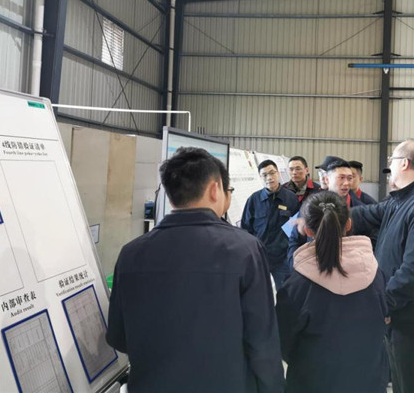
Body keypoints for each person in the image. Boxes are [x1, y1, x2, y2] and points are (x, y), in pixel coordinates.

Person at [106, 147, 284, 392]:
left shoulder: (130, 254)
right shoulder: (245, 250)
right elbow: (262, 341)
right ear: (214, 189)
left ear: (170, 196)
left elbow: (118, 337)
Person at [351, 140, 414, 393]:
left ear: (404, 163)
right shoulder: (400, 200)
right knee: (401, 382)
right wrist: (325, 213)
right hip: (398, 315)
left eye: (392, 161)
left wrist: (385, 303)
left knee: (413, 385)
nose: (390, 167)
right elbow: (366, 214)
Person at [276, 191, 389, 393]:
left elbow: (283, 341)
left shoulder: (298, 284)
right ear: (348, 224)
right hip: (367, 379)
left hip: (313, 381)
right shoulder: (375, 273)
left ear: (307, 230)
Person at [287, 158, 363, 267]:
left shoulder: (361, 210)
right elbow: (295, 240)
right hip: (312, 269)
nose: (346, 183)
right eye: (341, 178)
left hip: (348, 270)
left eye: (350, 178)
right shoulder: (310, 205)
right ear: (327, 179)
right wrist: (295, 265)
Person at [242, 159, 300, 289]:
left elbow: (296, 229)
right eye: (264, 175)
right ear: (260, 177)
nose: (269, 177)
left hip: (283, 258)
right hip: (259, 257)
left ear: (278, 173)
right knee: (257, 292)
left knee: (285, 293)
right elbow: (245, 229)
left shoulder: (291, 198)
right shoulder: (254, 200)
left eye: (272, 173)